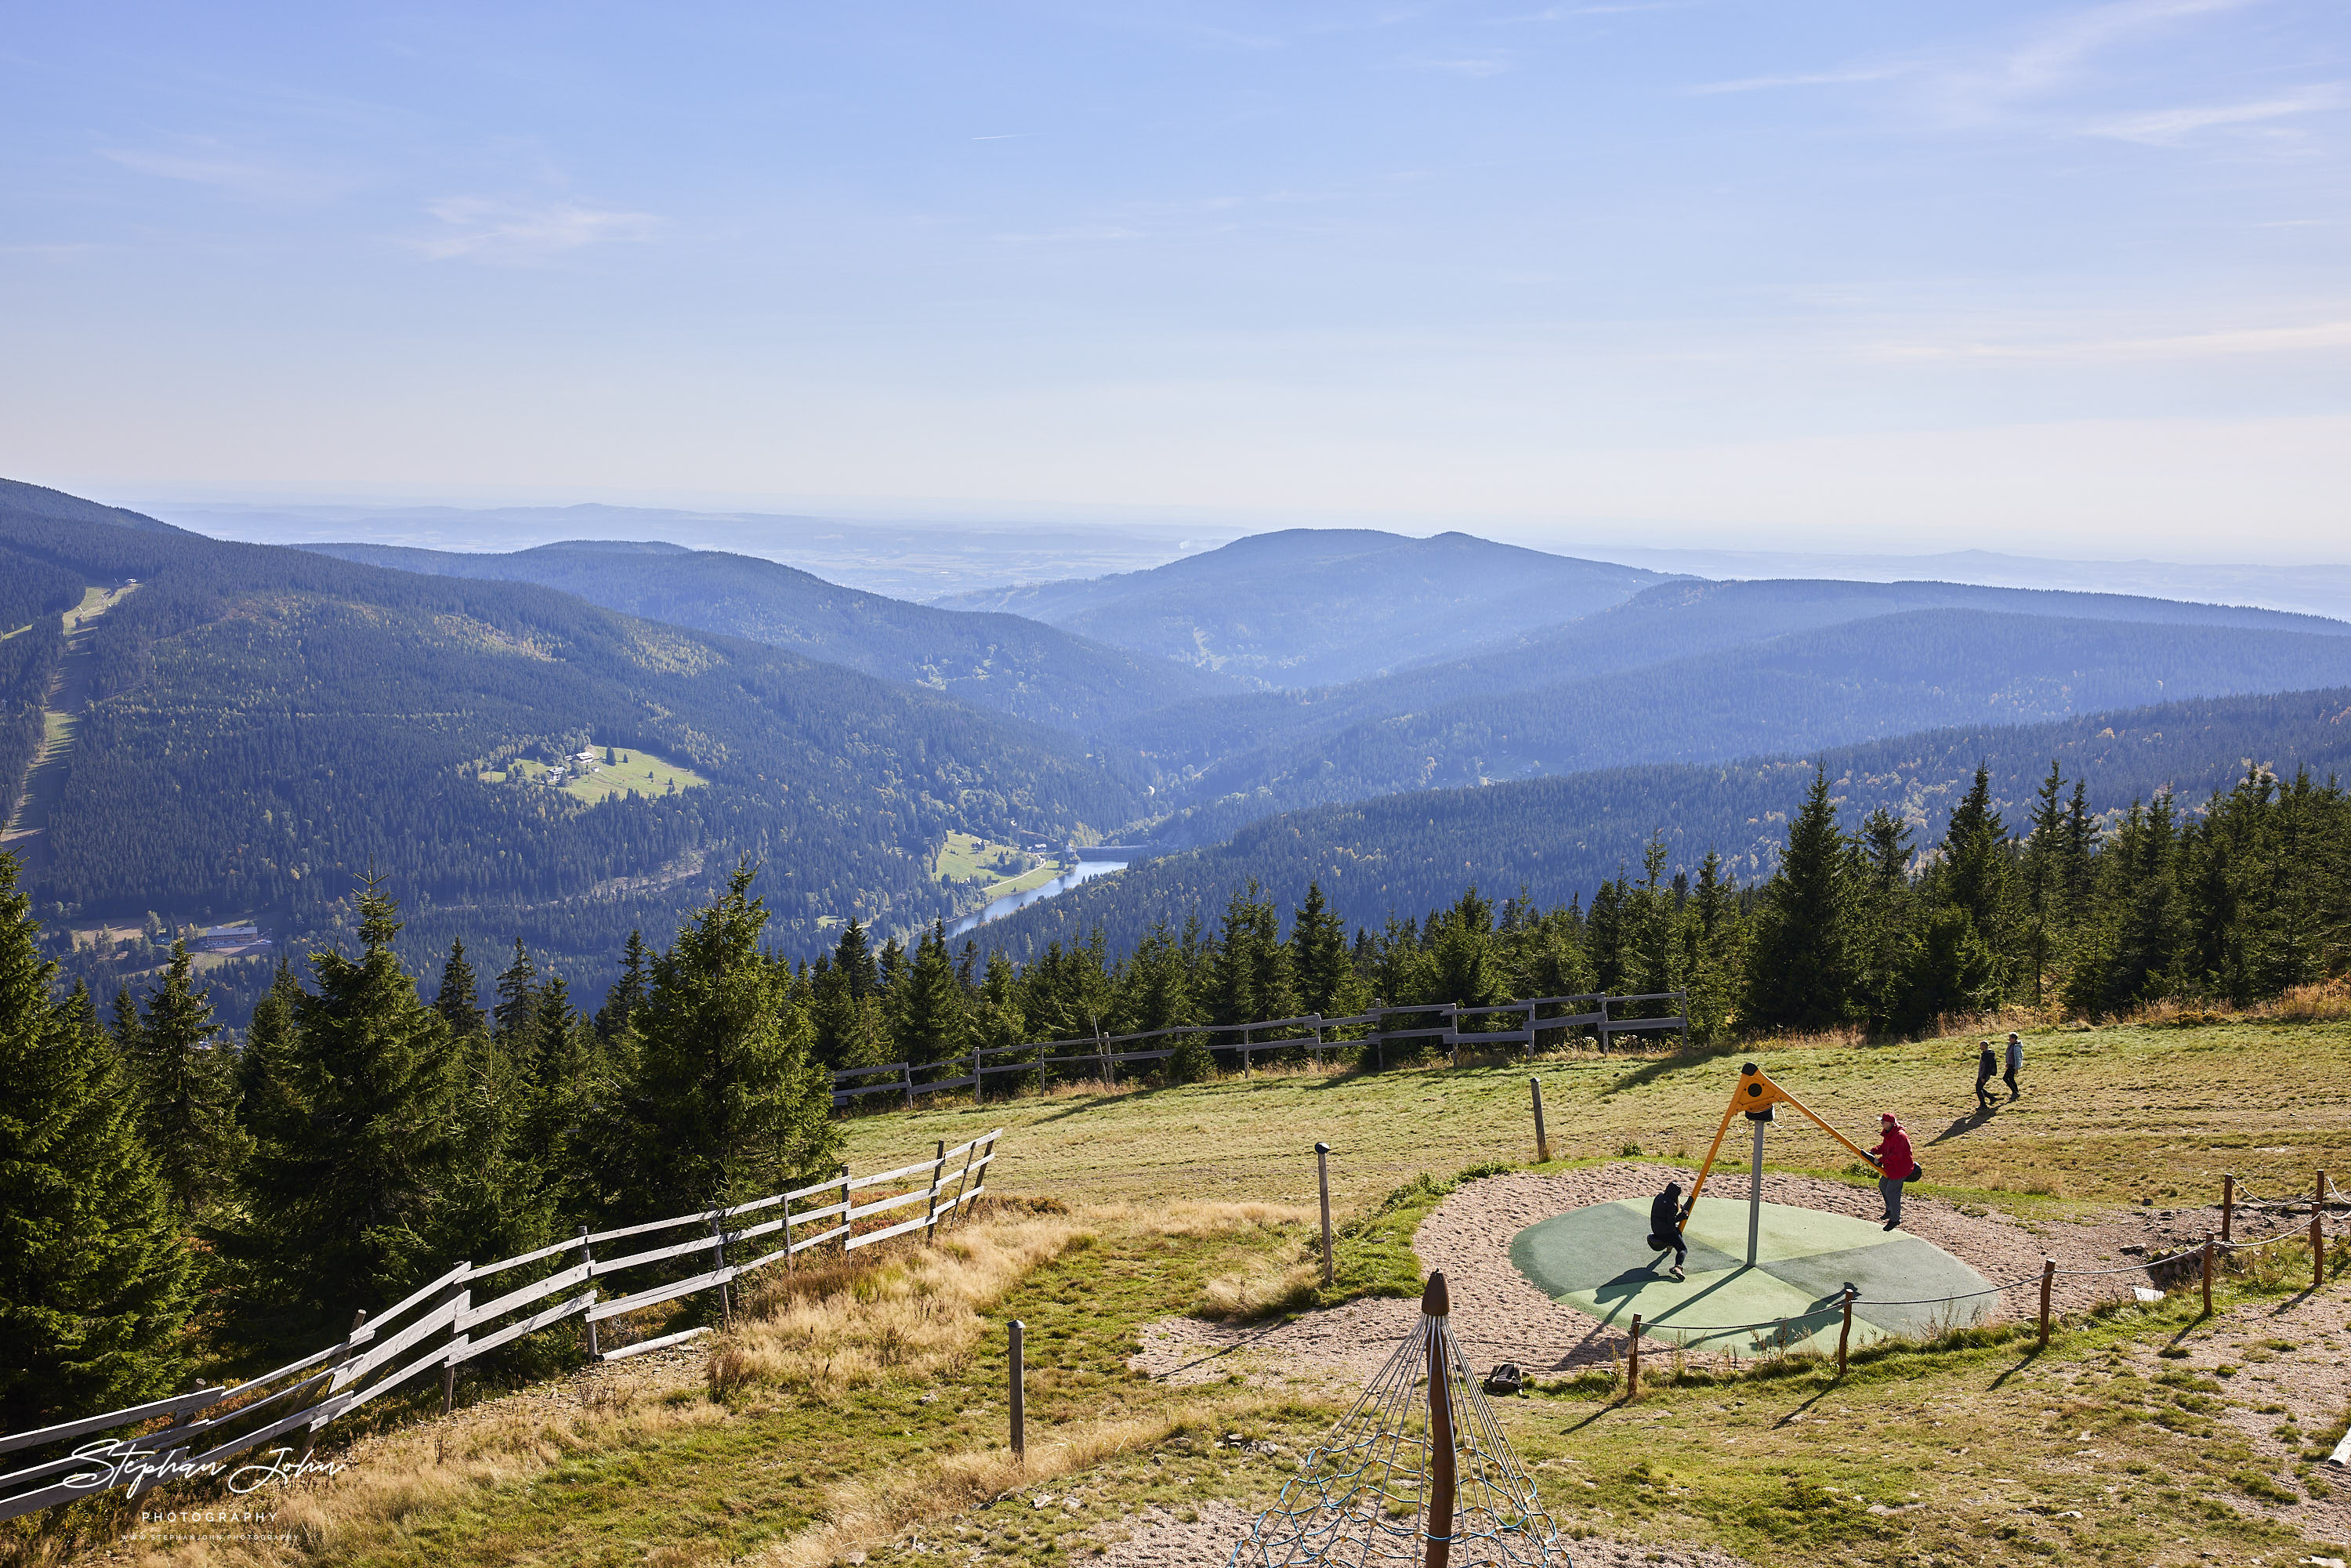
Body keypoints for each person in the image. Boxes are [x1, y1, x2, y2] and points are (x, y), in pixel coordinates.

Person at [1870, 1114, 1914, 1230]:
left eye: (1884, 1121)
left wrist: (1880, 1160)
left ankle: (1895, 1220)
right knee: (1883, 1185)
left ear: (1891, 1123)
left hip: (1901, 1169)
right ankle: (1890, 1210)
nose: (1882, 1123)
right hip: (1892, 1167)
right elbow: (1884, 1147)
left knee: (1892, 1192)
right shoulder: (1890, 1133)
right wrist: (1873, 1151)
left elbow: (1896, 1156)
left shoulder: (1900, 1136)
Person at [1647, 1182, 1688, 1280]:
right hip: (1667, 1233)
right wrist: (1682, 1216)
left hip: (1656, 1229)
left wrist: (1680, 1208)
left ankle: (1669, 1248)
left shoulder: (1659, 1197)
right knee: (1683, 1249)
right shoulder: (1672, 1205)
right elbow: (1671, 1221)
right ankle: (1678, 1267)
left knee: (1676, 1232)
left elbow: (1665, 1212)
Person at [1975, 1041, 1998, 1110]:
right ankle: (1992, 1098)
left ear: (1983, 1046)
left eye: (1981, 1045)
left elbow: (1986, 1067)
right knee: (1979, 1087)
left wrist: (1983, 1077)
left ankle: (1983, 1105)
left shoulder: (1986, 1056)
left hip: (1984, 1075)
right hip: (1984, 1075)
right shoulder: (1988, 1054)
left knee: (1978, 1088)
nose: (1980, 1047)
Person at [2004, 1032, 2023, 1099]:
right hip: (2010, 1065)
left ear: (2014, 1039)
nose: (2009, 1040)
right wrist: (2007, 1063)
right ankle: (2016, 1092)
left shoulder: (2017, 1048)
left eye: (2010, 1038)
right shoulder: (2011, 1045)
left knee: (2005, 1078)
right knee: (2011, 1079)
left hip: (2013, 1066)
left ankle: (2015, 1092)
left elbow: (2018, 1059)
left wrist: (2016, 1068)